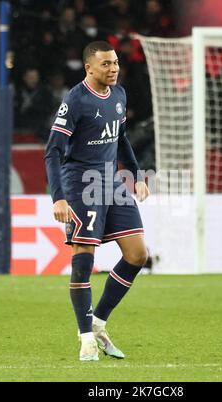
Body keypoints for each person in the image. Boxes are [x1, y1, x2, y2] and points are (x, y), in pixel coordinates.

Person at [45, 41, 149, 361]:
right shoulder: (75, 100)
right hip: (80, 183)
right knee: (83, 260)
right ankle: (85, 337)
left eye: (115, 62)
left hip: (111, 182)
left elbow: (120, 138)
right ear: (89, 67)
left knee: (137, 254)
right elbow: (53, 151)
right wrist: (59, 198)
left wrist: (136, 174)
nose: (113, 68)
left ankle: (99, 322)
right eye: (106, 64)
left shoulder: (118, 94)